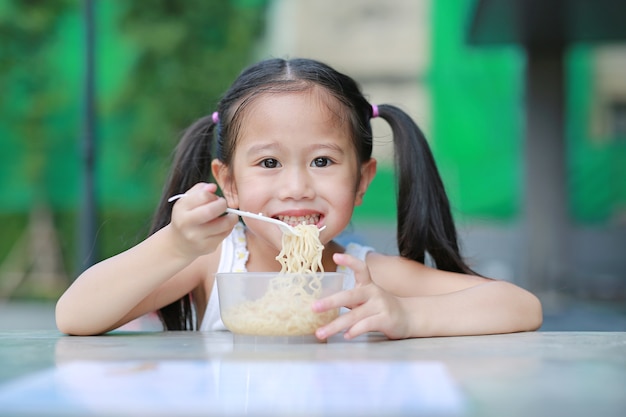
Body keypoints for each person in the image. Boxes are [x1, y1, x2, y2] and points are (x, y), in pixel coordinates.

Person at [56, 57, 542, 338]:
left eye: (323, 161)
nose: (297, 187)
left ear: (362, 181)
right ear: (230, 184)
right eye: (269, 163)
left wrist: (409, 314)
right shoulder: (212, 263)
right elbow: (74, 316)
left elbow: (521, 306)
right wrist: (176, 246)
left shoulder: (362, 276)